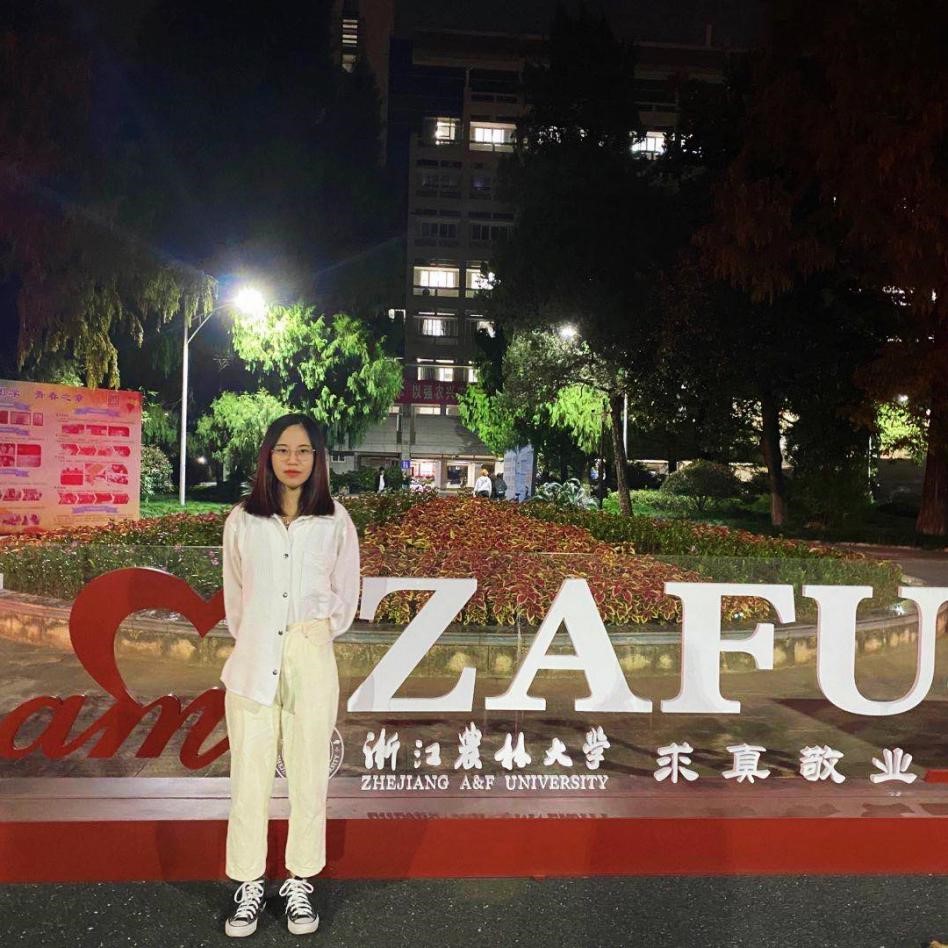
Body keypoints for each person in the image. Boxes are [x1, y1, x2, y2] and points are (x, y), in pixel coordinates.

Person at [220, 413, 360, 938]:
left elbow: (347, 592)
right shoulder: (243, 520)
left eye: (303, 450)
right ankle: (249, 883)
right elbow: (236, 595)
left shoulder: (335, 521)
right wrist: (260, 634)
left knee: (308, 774)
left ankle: (299, 881)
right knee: (248, 778)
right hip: (253, 659)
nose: (293, 460)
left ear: (318, 458)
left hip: (310, 655)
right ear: (268, 456)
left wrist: (317, 630)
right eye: (283, 450)